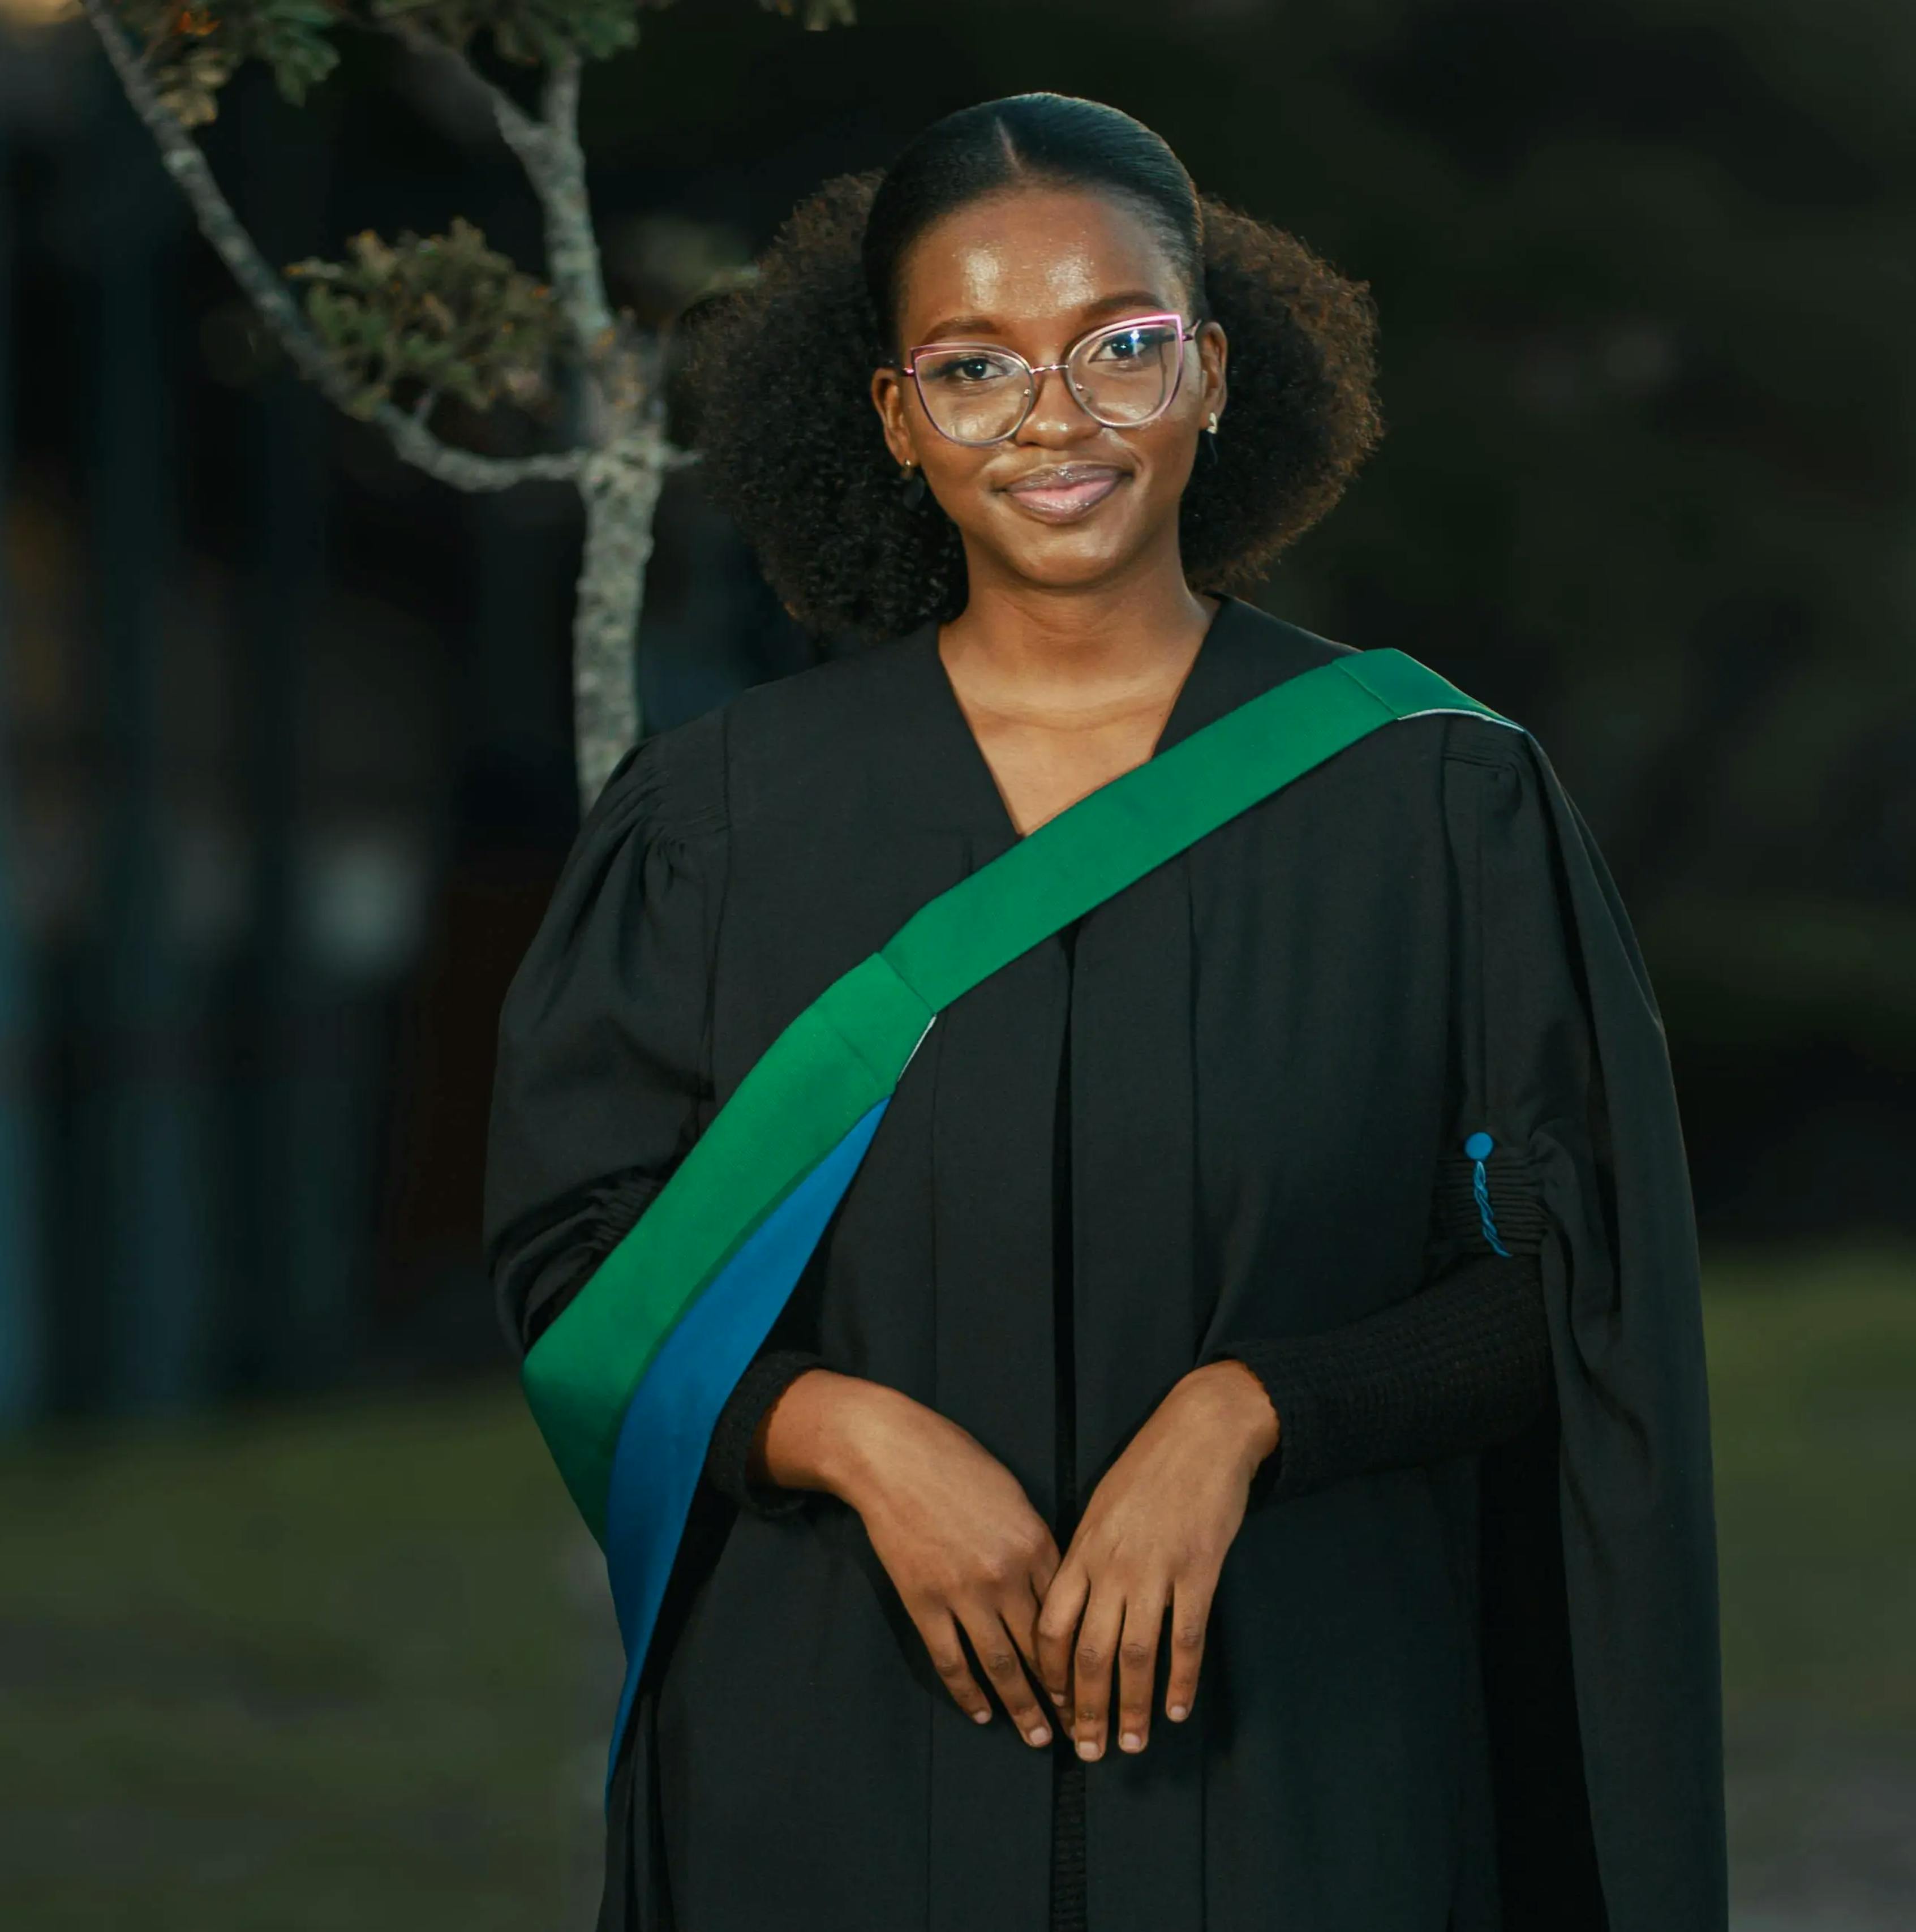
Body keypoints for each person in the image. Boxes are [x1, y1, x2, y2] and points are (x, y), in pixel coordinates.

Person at [484, 93, 1724, 1932]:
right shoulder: (723, 819)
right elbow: (583, 1269)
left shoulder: (1430, 799)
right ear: (899, 421)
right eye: (975, 367)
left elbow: (1580, 1284)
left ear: (1215, 376)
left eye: (1121, 347)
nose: (1053, 418)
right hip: (830, 1762)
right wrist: (839, 1433)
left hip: (1308, 1766)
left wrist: (1253, 1413)